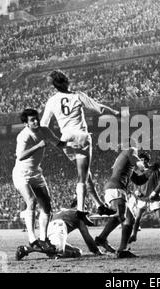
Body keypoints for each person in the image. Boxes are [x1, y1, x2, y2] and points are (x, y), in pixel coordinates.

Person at [40, 70, 119, 225]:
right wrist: (115, 112)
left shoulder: (51, 101)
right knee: (82, 177)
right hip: (81, 137)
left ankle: (99, 205)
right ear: (67, 82)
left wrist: (56, 142)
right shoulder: (78, 95)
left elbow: (43, 125)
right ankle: (81, 211)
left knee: (86, 175)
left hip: (65, 139)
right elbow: (100, 109)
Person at [13, 108, 73, 254]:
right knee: (31, 202)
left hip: (36, 173)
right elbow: (20, 156)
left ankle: (43, 239)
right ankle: (32, 240)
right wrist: (38, 146)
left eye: (36, 119)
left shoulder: (44, 130)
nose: (36, 122)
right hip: (22, 174)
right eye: (32, 120)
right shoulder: (23, 136)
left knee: (47, 206)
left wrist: (74, 142)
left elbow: (59, 144)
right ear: (26, 123)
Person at [94, 140, 149, 258]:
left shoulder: (123, 159)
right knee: (121, 216)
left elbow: (139, 180)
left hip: (114, 188)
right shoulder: (131, 150)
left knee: (129, 219)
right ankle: (102, 239)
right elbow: (139, 164)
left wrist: (149, 172)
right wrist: (144, 167)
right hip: (116, 188)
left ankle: (121, 249)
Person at [16, 207, 104, 260]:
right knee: (60, 252)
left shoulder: (64, 212)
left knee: (77, 252)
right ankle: (28, 249)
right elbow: (87, 237)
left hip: (48, 229)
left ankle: (45, 249)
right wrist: (96, 251)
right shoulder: (78, 215)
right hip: (59, 226)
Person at [127, 153, 160, 245]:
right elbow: (135, 184)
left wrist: (155, 192)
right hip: (142, 198)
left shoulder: (155, 170)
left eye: (142, 160)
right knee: (137, 218)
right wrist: (136, 191)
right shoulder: (137, 170)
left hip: (154, 198)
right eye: (140, 160)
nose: (141, 162)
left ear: (146, 160)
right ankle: (134, 236)